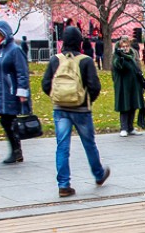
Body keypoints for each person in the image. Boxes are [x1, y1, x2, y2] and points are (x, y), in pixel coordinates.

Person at [42, 26, 110, 197]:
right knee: (89, 144)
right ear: (80, 42)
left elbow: (45, 84)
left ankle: (63, 184)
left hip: (60, 109)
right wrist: (87, 100)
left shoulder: (55, 60)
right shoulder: (85, 60)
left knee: (62, 147)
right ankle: (99, 174)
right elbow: (94, 86)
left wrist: (56, 96)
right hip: (81, 109)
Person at [0, 20, 31, 164]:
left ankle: (16, 150)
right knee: (6, 121)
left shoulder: (14, 50)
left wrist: (22, 92)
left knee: (8, 120)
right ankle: (15, 150)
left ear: (3, 34)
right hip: (0, 93)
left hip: (10, 92)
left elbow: (22, 72)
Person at [112, 35, 145, 136]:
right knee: (124, 106)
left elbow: (138, 67)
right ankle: (124, 127)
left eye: (127, 46)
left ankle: (130, 127)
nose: (125, 48)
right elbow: (118, 66)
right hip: (123, 85)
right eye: (123, 46)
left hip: (134, 84)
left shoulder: (132, 55)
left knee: (133, 105)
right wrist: (121, 56)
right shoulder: (117, 56)